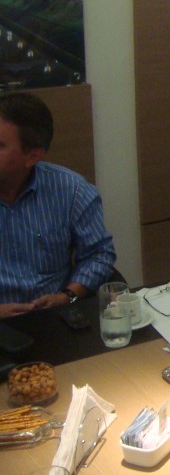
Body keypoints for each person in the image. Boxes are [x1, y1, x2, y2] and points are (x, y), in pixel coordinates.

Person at [0, 92, 116, 318]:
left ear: (32, 156)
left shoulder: (71, 190)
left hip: (54, 316)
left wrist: (67, 295)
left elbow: (99, 254)